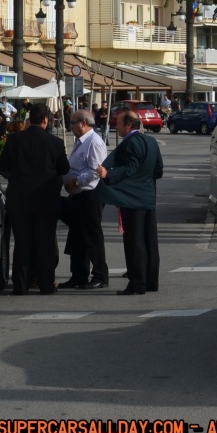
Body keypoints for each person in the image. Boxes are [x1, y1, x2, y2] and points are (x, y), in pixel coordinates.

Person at [0, 108, 68, 295]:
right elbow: (64, 168)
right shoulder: (56, 142)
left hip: (19, 200)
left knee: (22, 243)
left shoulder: (14, 140)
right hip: (46, 200)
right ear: (45, 120)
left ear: (29, 121)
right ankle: (46, 285)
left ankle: (21, 285)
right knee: (44, 244)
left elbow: (3, 167)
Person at [96, 110, 163, 295]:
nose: (115, 126)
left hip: (131, 198)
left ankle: (137, 282)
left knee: (134, 242)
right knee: (150, 241)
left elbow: (129, 169)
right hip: (148, 197)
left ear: (129, 125)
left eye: (118, 123)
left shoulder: (131, 143)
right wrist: (145, 182)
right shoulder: (151, 141)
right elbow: (159, 170)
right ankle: (151, 281)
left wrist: (108, 174)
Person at [58, 111, 110, 290]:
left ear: (83, 123)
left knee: (92, 236)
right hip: (78, 194)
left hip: (90, 195)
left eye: (72, 123)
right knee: (77, 236)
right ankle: (79, 275)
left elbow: (97, 170)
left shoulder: (94, 142)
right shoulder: (81, 141)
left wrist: (77, 181)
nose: (70, 126)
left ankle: (100, 275)